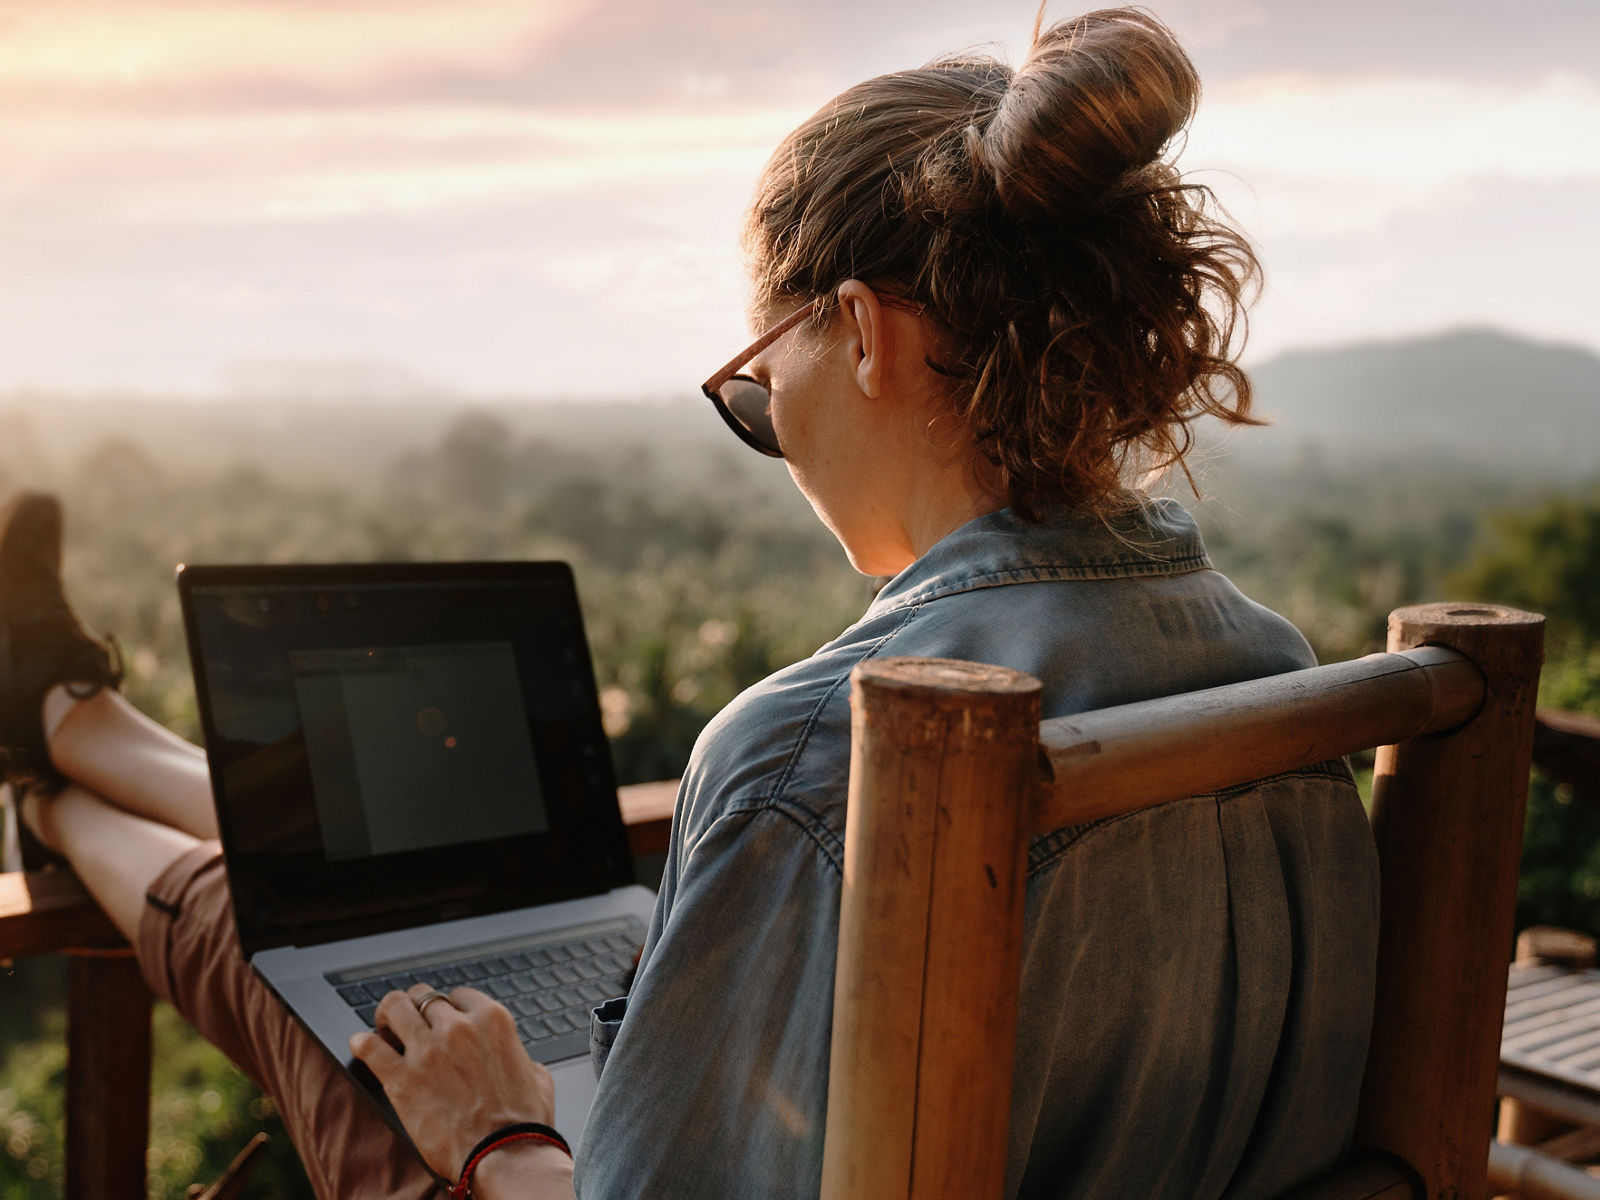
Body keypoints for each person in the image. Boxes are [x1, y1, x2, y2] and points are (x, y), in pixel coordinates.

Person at [4, 8, 1379, 1199]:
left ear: (864, 331)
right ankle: (72, 729)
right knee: (359, 893)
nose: (767, 418)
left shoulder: (817, 758)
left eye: (755, 380)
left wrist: (492, 1136)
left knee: (301, 963)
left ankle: (53, 775)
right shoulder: (1279, 675)